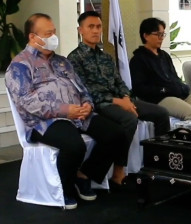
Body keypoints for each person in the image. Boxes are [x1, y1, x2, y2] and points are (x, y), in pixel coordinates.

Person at [5, 13, 128, 210]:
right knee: (74, 145)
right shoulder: (20, 65)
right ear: (33, 37)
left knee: (116, 134)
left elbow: (82, 88)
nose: (53, 37)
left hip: (78, 115)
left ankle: (84, 175)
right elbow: (27, 102)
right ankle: (65, 189)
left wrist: (87, 104)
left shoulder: (62, 62)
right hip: (44, 122)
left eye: (54, 32)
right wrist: (64, 110)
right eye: (48, 34)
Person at [67, 11, 170, 161]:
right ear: (80, 30)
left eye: (98, 27)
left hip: (121, 100)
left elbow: (119, 82)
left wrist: (126, 98)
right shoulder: (74, 58)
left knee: (162, 113)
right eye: (91, 27)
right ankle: (119, 167)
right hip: (100, 104)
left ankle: (160, 160)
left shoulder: (106, 57)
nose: (95, 31)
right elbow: (85, 90)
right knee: (129, 119)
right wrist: (119, 102)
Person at [130, 18, 191, 122]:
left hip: (179, 94)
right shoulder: (138, 59)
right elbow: (139, 89)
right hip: (160, 98)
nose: (161, 38)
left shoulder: (164, 55)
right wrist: (163, 89)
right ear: (145, 36)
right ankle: (188, 133)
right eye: (158, 34)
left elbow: (174, 77)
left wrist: (181, 87)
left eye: (163, 34)